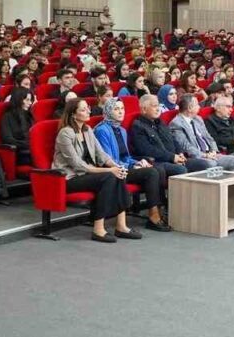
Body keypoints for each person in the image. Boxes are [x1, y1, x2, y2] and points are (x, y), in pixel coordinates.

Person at [54, 99, 138, 242]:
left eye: (88, 108)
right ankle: (98, 229)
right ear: (73, 114)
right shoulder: (65, 133)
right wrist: (108, 171)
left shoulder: (87, 130)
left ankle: (121, 226)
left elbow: (102, 155)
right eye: (83, 109)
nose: (88, 111)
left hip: (87, 174)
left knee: (119, 174)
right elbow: (78, 165)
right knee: (109, 176)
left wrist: (116, 167)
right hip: (70, 178)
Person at [92, 98, 170, 230]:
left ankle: (159, 209)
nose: (120, 112)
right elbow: (107, 160)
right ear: (108, 111)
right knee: (151, 172)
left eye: (122, 108)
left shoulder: (121, 130)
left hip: (124, 166)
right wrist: (132, 166)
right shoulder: (102, 130)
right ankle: (153, 215)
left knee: (157, 168)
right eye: (116, 109)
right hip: (113, 170)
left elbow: (126, 156)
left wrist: (138, 162)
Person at [169, 94, 234, 172]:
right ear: (189, 108)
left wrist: (214, 151)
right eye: (197, 104)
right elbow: (186, 147)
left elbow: (209, 137)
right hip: (195, 157)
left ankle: (229, 183)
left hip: (210, 154)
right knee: (211, 164)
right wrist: (205, 155)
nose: (199, 107)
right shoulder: (176, 124)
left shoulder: (198, 119)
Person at [129, 94, 192, 181]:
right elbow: (147, 150)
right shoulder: (138, 126)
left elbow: (172, 139)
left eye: (158, 105)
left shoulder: (160, 122)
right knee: (181, 170)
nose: (158, 108)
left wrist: (180, 152)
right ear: (144, 109)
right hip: (158, 161)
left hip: (173, 157)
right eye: (154, 106)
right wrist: (172, 157)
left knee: (201, 164)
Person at [0, 87, 35, 167]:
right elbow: (7, 139)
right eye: (27, 100)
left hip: (32, 149)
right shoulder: (7, 117)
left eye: (31, 100)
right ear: (19, 100)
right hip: (19, 152)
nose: (30, 103)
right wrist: (27, 144)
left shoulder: (29, 115)